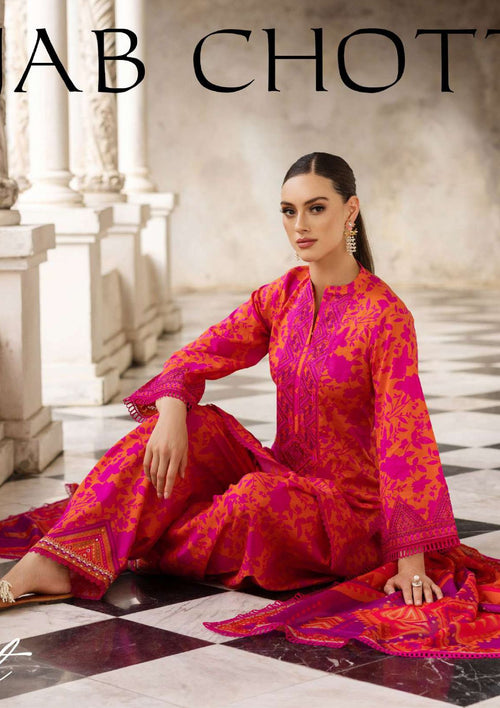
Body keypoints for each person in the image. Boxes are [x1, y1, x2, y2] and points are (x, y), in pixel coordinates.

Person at [1, 154, 499, 658]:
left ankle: (114, 536)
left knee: (254, 501)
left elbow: (404, 439)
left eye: (316, 208)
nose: (300, 225)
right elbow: (201, 353)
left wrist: (410, 561)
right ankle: (58, 560)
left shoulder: (385, 316)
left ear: (350, 211)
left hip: (350, 514)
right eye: (288, 210)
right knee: (194, 426)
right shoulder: (283, 296)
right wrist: (172, 407)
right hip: (284, 472)